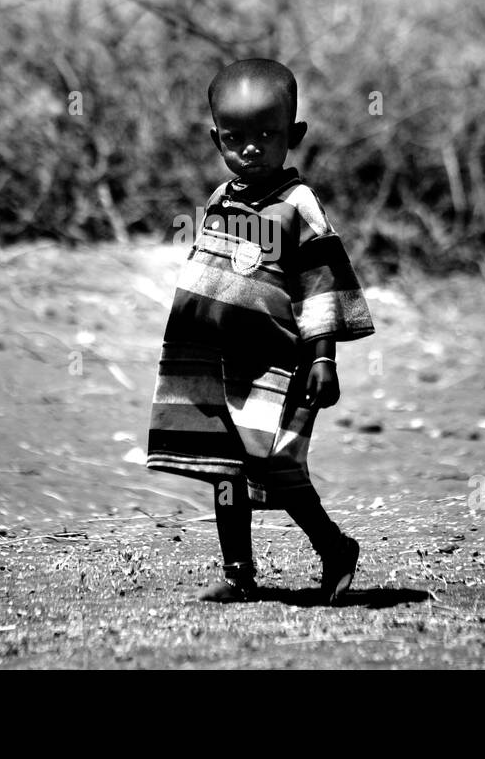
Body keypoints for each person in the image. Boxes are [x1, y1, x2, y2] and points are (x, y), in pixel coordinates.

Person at [146, 57, 375, 604]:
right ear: (215, 138)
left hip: (280, 362)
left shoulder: (298, 206)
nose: (250, 148)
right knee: (222, 466)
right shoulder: (222, 201)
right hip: (217, 363)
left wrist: (324, 359)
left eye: (267, 135)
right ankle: (239, 572)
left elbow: (320, 285)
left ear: (294, 136)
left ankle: (335, 547)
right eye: (235, 137)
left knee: (276, 464)